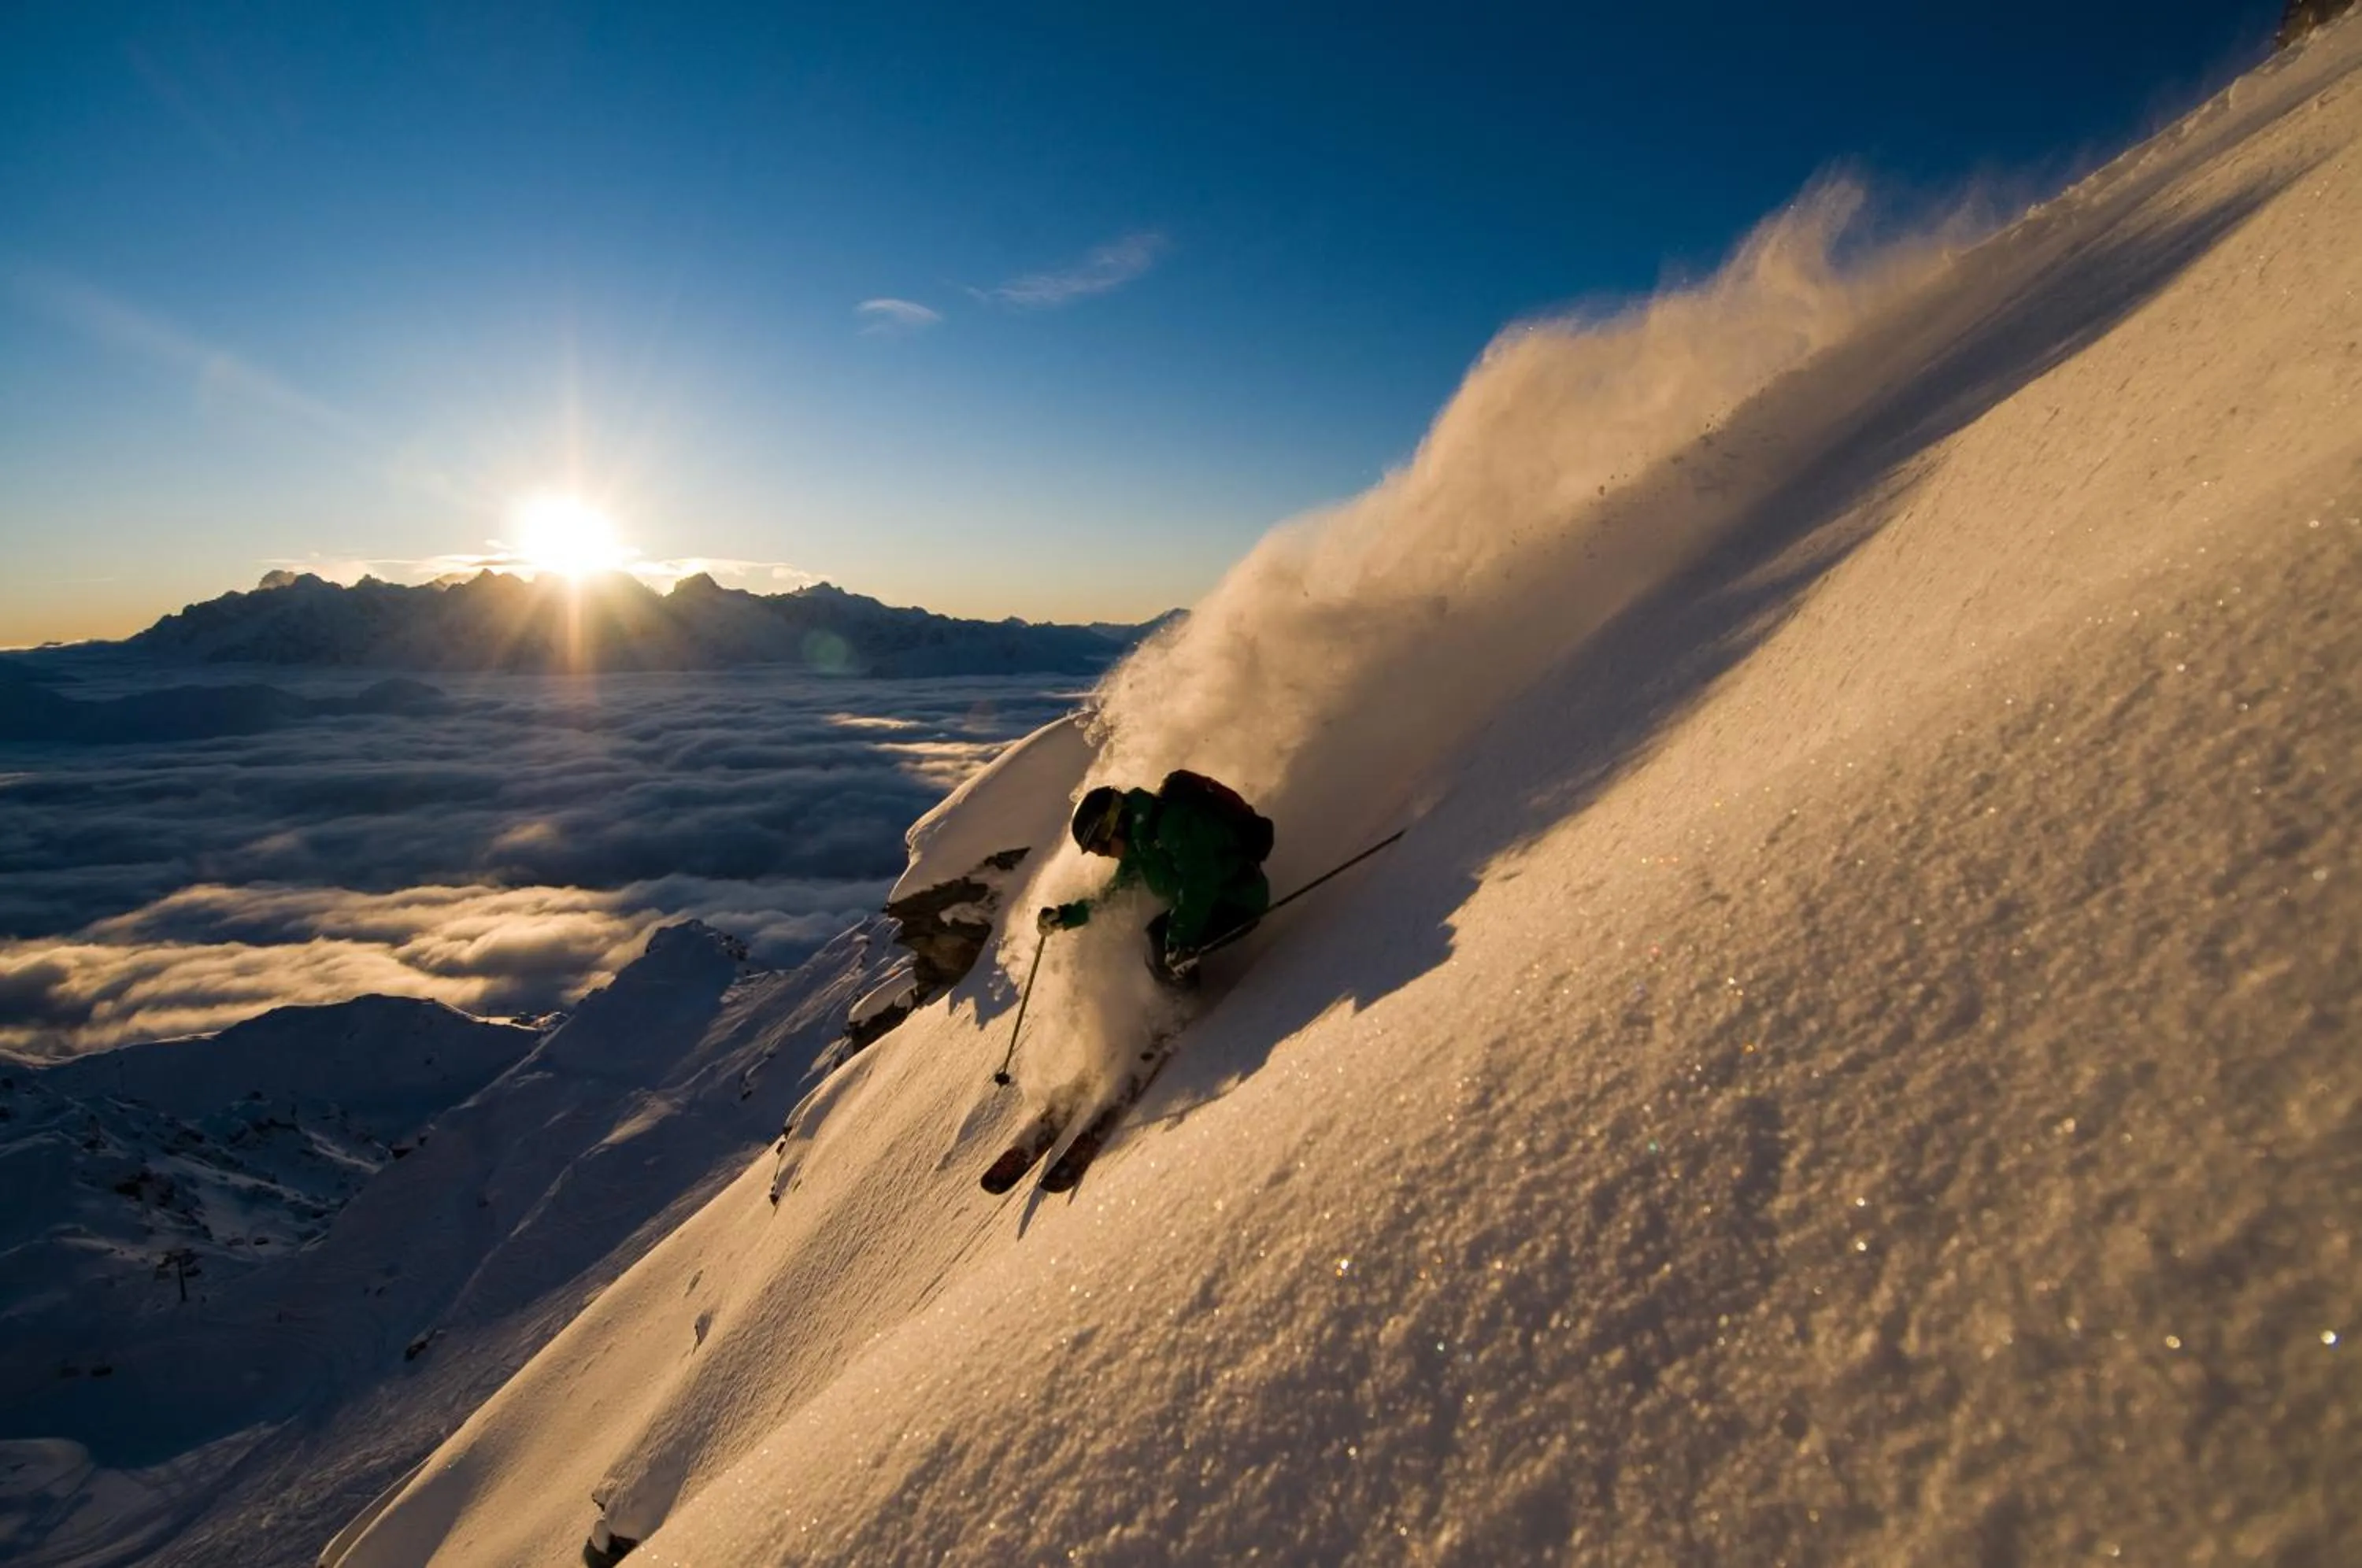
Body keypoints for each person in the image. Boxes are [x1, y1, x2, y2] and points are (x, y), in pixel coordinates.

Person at [1037, 771, 1274, 986]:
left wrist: (1180, 939)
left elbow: (1200, 881)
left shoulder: (1173, 825)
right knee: (1154, 938)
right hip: (1214, 904)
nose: (1102, 854)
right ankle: (1188, 999)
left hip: (1240, 901)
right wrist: (1066, 916)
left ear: (1113, 826)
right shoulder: (1140, 849)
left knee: (1159, 937)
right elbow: (1111, 896)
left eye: (1100, 847)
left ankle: (1193, 1010)